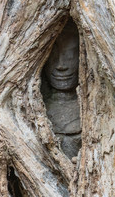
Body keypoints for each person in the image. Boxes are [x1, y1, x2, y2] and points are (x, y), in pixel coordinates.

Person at [42, 20, 81, 159]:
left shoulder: (95, 111)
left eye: (69, 55)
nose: (61, 65)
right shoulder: (34, 110)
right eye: (53, 56)